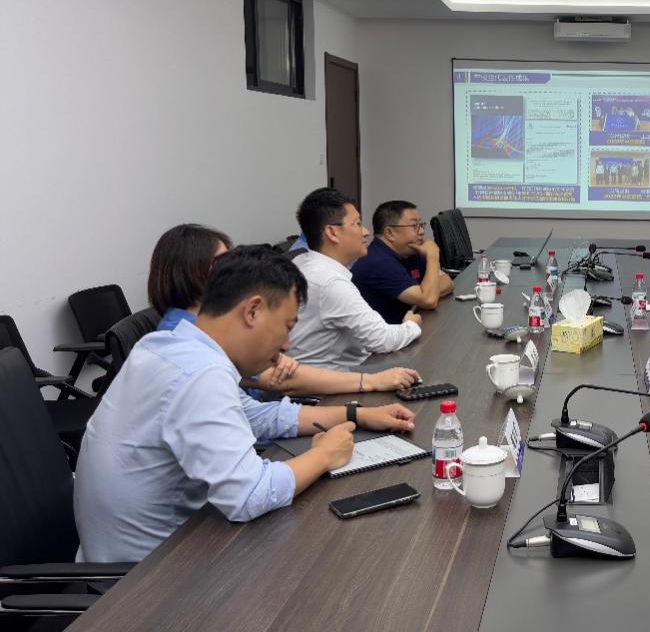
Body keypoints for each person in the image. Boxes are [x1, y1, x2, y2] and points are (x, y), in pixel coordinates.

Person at [74, 245, 419, 562]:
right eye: (287, 327)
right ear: (252, 311)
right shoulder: (202, 372)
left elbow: (255, 416)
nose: (286, 346)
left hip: (130, 554)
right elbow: (250, 495)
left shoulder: (166, 344)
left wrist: (356, 414)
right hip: (148, 579)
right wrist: (325, 455)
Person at [147, 223, 420, 393]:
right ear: (190, 270)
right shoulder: (183, 334)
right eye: (222, 261)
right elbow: (281, 380)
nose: (232, 268)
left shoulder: (216, 318)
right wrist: (370, 382)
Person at [287, 188, 422, 369]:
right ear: (332, 233)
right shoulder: (330, 283)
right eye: (357, 224)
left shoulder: (302, 261)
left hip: (338, 368)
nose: (366, 232)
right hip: (336, 380)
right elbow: (383, 340)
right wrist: (411, 324)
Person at [353, 200, 454, 323]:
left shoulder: (410, 251)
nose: (422, 231)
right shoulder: (379, 263)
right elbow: (429, 300)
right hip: (386, 333)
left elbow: (447, 282)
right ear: (390, 233)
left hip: (408, 327)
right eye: (414, 226)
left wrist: (427, 292)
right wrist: (433, 256)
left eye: (421, 225)